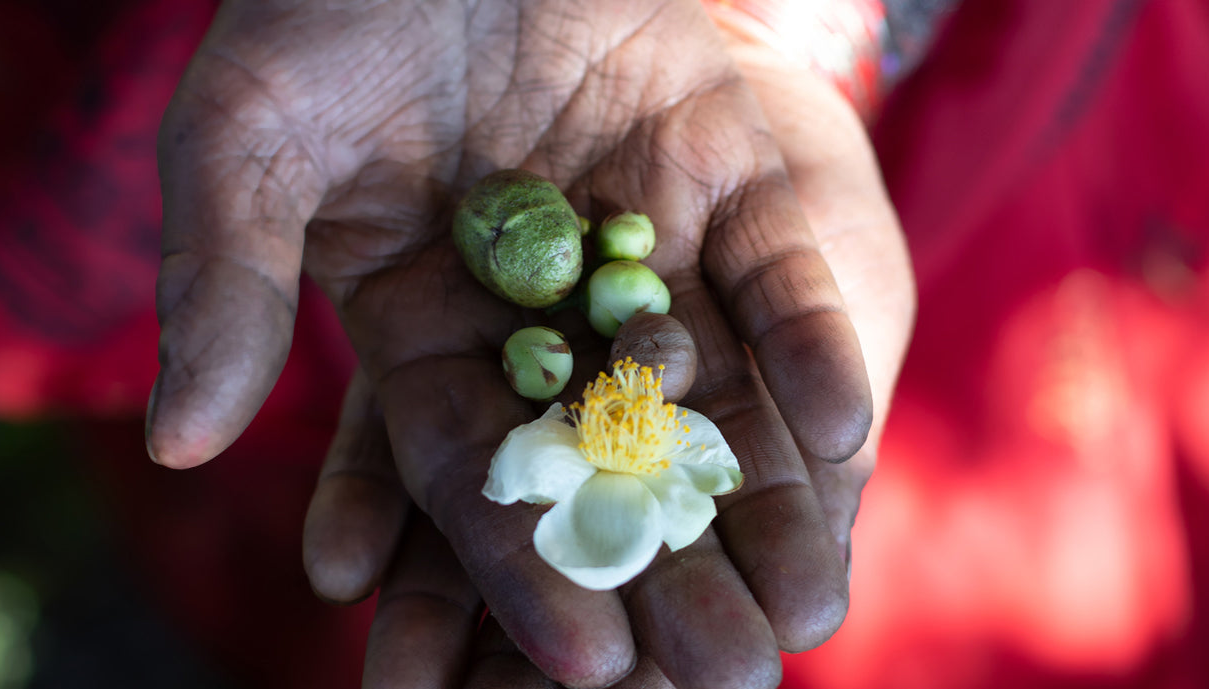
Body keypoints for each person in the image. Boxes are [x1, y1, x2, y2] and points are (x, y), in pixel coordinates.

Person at [145, 0, 918, 686]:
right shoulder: (544, 386)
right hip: (358, 278)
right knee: (313, 497)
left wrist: (786, 31)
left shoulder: (610, 398)